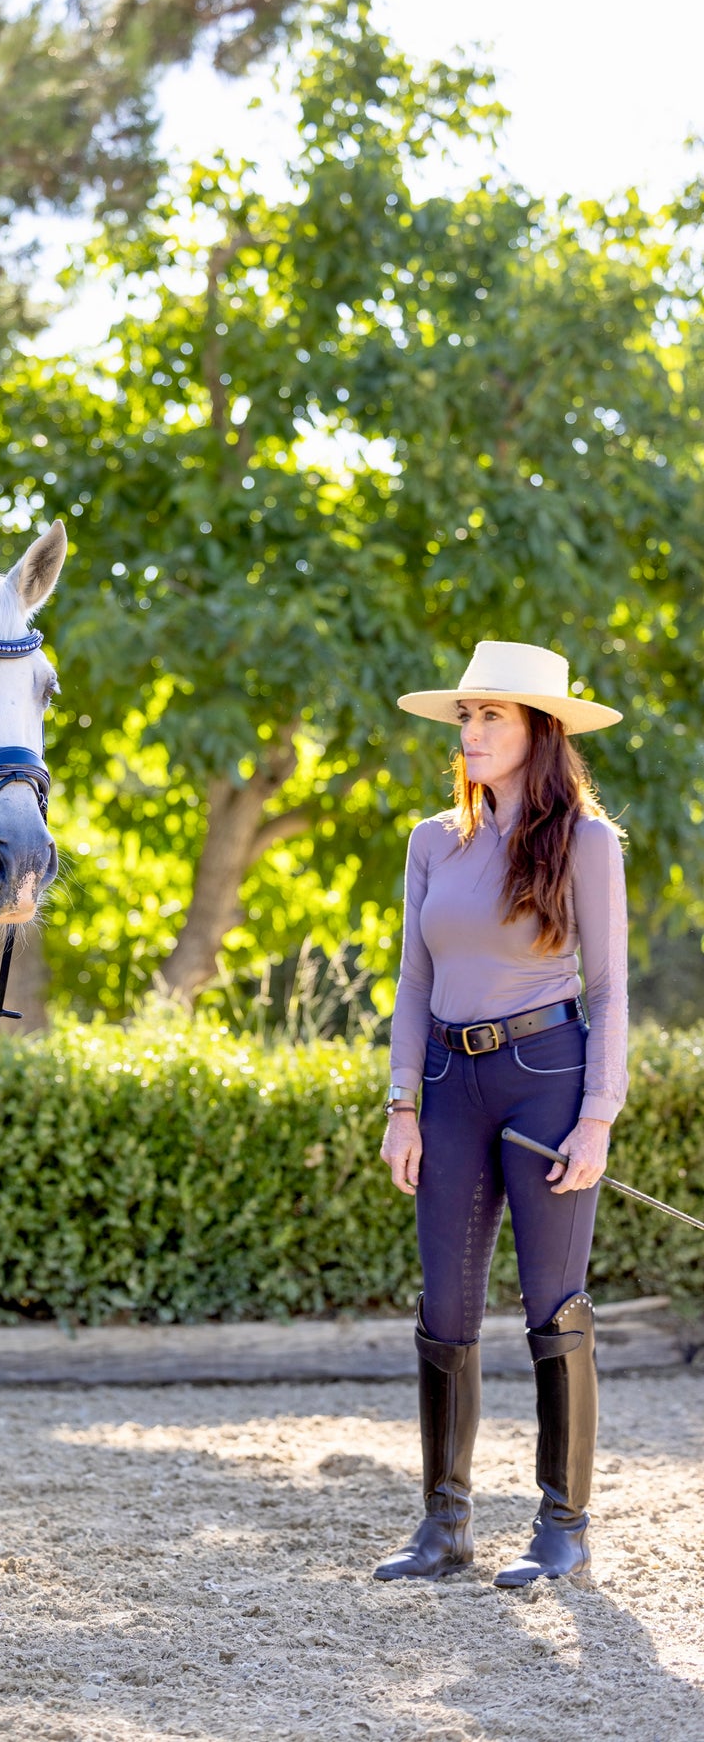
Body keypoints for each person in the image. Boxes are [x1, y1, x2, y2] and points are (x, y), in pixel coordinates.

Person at [374, 640, 627, 1589]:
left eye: (492, 715)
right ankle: (446, 1527)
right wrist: (403, 1102)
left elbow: (609, 990)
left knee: (552, 1305)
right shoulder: (432, 840)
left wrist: (597, 1114)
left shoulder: (588, 845)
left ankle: (563, 1525)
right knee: (445, 1307)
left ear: (539, 731)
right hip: (448, 1080)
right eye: (466, 716)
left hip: (546, 1074)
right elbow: (412, 979)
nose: (471, 732)